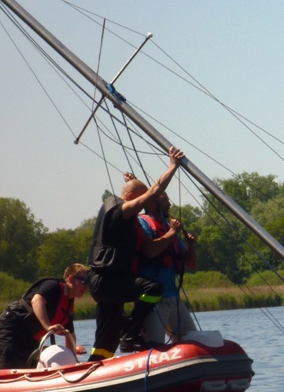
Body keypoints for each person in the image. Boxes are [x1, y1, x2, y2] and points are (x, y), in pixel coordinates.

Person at [85, 146, 184, 360]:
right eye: (141, 200)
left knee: (107, 341)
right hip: (105, 280)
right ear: (130, 197)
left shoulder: (130, 219)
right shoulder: (117, 209)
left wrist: (135, 180)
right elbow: (152, 193)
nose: (146, 205)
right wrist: (173, 167)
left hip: (113, 283)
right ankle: (131, 327)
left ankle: (97, 364)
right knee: (152, 288)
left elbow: (146, 198)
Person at [0, 264, 89, 369]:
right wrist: (48, 326)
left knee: (30, 369)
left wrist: (73, 362)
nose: (86, 286)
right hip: (9, 331)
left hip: (29, 339)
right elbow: (36, 300)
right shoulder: (54, 286)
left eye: (88, 282)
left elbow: (70, 336)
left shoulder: (68, 304)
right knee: (7, 370)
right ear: (70, 279)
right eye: (83, 281)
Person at [138, 190, 199, 344]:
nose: (169, 204)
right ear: (151, 203)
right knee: (154, 343)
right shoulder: (143, 223)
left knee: (192, 341)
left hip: (173, 297)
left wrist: (191, 245)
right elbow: (150, 251)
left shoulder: (167, 227)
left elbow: (191, 264)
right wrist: (172, 233)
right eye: (164, 201)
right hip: (153, 299)